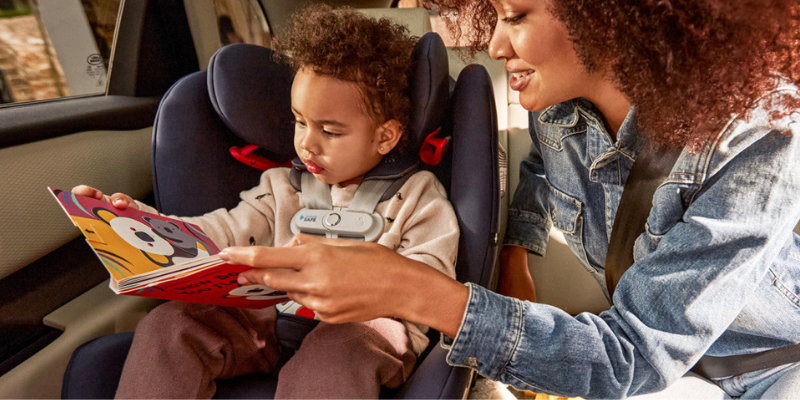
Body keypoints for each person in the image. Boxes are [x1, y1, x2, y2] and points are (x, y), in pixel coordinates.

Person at [225, 0, 800, 398]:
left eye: (516, 17)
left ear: (604, 18)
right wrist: (514, 256)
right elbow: (537, 169)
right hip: (678, 374)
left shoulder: (760, 138)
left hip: (774, 370)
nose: (494, 43)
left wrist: (410, 288)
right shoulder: (555, 113)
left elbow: (636, 354)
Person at [73, 6, 459, 399]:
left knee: (336, 350)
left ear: (385, 137)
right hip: (271, 324)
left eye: (329, 130)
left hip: (364, 334)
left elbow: (431, 285)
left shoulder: (417, 198)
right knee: (170, 323)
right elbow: (219, 234)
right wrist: (144, 224)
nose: (307, 142)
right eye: (299, 121)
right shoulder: (281, 188)